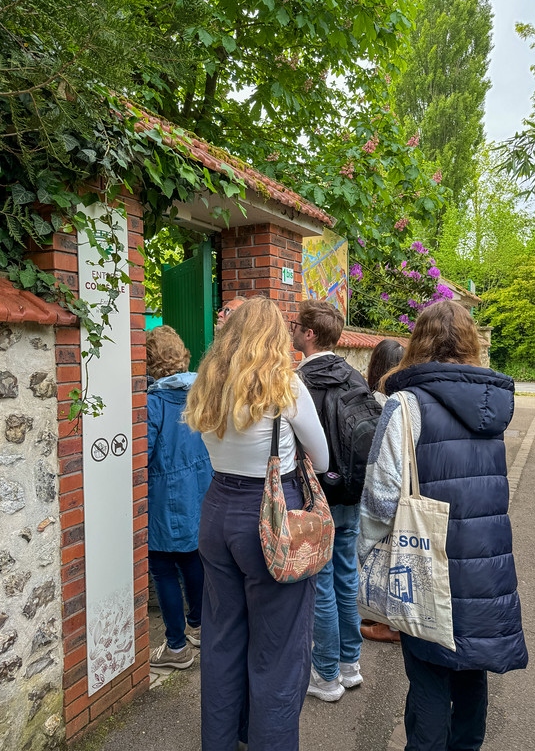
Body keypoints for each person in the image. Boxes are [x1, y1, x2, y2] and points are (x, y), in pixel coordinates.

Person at [358, 300, 528, 751]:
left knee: (430, 677)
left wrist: (365, 553)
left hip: (425, 558)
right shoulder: (493, 405)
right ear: (471, 343)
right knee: (472, 667)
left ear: (419, 341)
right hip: (487, 558)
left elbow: (380, 497)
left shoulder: (405, 404)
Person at [185, 297, 329, 751]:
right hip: (272, 515)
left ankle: (223, 742)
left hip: (217, 511)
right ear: (276, 337)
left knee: (223, 639)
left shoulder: (208, 383)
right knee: (279, 651)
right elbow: (322, 459)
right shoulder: (285, 386)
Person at [292, 299, 380, 702]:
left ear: (309, 334)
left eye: (296, 325)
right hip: (352, 492)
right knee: (347, 576)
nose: (292, 329)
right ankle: (350, 665)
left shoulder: (301, 380)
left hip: (318, 495)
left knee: (322, 584)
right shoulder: (354, 376)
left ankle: (325, 676)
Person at [146, 325, 213, 670]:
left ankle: (175, 647)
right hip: (201, 489)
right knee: (192, 559)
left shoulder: (154, 401)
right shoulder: (200, 392)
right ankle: (199, 627)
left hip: (164, 496)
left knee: (161, 566)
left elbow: (141, 453)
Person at [361, 338, 405, 645]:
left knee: (376, 550)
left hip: (380, 485)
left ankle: (383, 620)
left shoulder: (374, 401)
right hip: (406, 487)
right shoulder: (407, 400)